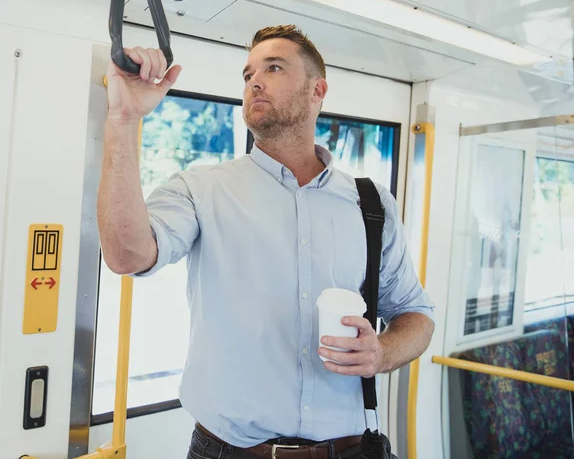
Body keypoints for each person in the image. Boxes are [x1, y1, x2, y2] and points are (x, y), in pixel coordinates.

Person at [97, 25, 435, 459]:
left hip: (350, 450)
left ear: (318, 90)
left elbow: (416, 315)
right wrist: (123, 121)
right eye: (247, 73)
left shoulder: (371, 204)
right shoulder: (201, 189)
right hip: (227, 452)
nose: (254, 80)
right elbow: (127, 255)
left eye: (273, 67)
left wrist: (381, 353)